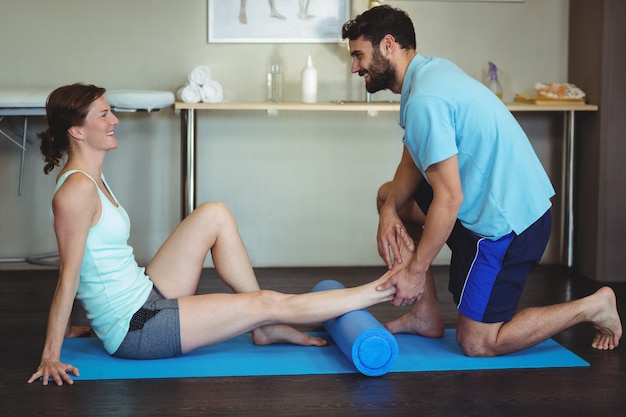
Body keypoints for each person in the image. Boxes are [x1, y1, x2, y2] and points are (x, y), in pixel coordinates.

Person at [28, 83, 396, 386]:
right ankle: (381, 289)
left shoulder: (93, 177)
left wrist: (86, 322)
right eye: (104, 115)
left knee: (213, 214)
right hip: (136, 329)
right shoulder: (76, 191)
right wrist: (51, 355)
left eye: (111, 112)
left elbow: (97, 262)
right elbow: (70, 275)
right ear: (76, 130)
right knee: (267, 301)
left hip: (144, 294)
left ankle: (264, 329)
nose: (116, 120)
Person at [341, 5, 622, 357]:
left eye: (358, 55)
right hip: (482, 209)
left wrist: (415, 270)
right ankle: (425, 316)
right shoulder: (427, 76)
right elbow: (411, 163)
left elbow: (448, 199)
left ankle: (593, 306)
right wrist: (388, 212)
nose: (354, 67)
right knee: (390, 197)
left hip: (508, 227)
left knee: (477, 342)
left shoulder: (426, 98)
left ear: (387, 45)